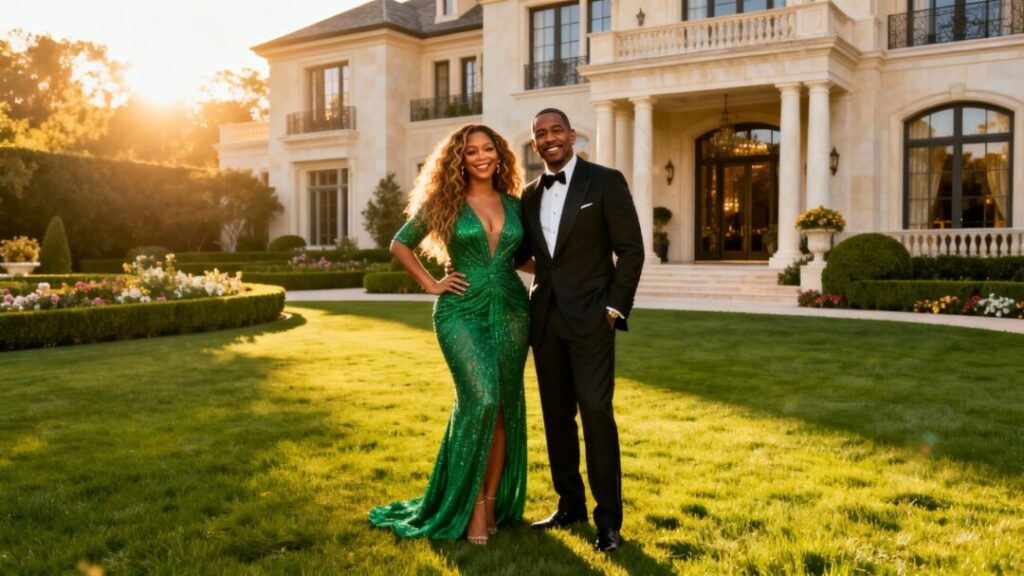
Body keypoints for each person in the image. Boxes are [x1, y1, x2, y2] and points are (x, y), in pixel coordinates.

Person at [368, 124, 530, 546]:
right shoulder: (445, 202)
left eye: (488, 148)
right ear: (459, 159)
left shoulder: (516, 205)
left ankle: (491, 502)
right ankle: (471, 503)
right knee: (482, 399)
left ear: (500, 155)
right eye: (472, 151)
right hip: (460, 310)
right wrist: (431, 283)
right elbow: (400, 244)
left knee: (503, 408)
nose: (481, 156)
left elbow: (527, 258)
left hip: (512, 309)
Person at [518, 108, 645, 552]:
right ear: (535, 144)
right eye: (540, 134)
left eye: (556, 130)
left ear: (572, 134)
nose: (549, 138)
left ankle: (607, 520)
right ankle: (569, 504)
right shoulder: (528, 193)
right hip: (545, 322)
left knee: (595, 413)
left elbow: (631, 251)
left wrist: (613, 309)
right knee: (557, 419)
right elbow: (524, 255)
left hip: (593, 321)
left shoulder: (605, 181)